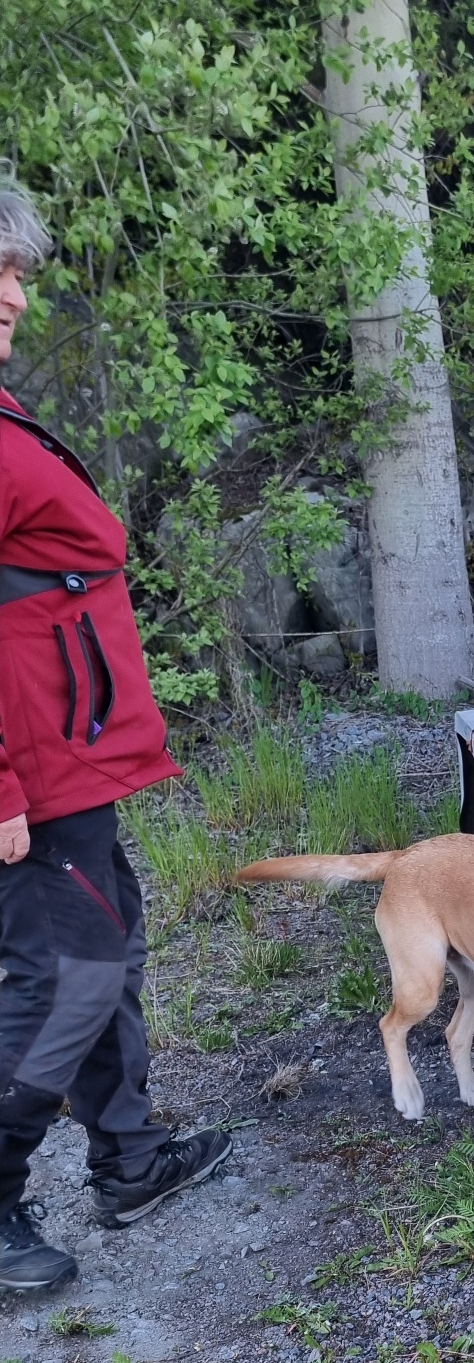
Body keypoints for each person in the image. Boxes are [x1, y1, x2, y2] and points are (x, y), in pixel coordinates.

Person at [0, 173, 230, 1292]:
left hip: (68, 755)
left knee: (109, 946)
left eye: (16, 272)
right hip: (29, 770)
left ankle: (131, 1161)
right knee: (65, 977)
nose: (9, 293)